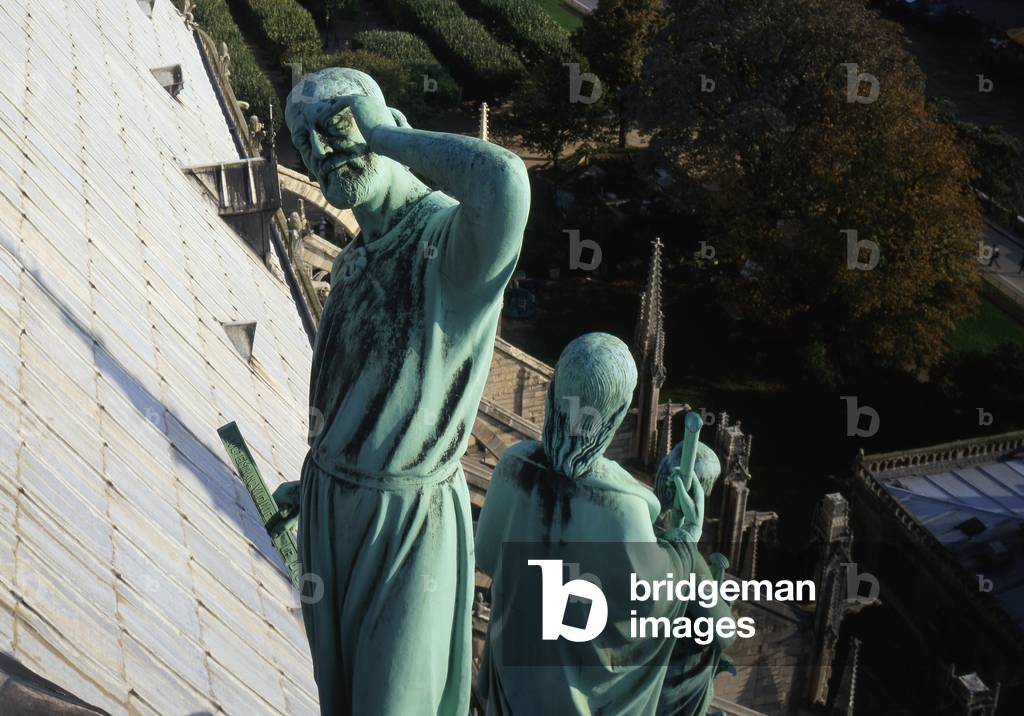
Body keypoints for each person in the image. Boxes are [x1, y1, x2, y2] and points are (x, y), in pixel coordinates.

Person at [280, 67, 530, 715]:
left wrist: (389, 134)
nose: (325, 153)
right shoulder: (356, 261)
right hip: (332, 512)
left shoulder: (448, 242)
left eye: (337, 127)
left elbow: (505, 180)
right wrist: (310, 484)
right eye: (305, 144)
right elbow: (351, 397)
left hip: (407, 521)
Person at [476, 333, 726, 715]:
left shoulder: (513, 466)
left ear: (551, 393)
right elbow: (652, 606)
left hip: (511, 685)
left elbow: (490, 556)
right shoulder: (624, 506)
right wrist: (684, 546)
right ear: (621, 412)